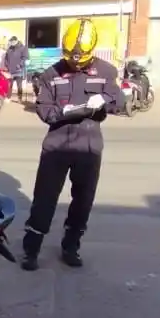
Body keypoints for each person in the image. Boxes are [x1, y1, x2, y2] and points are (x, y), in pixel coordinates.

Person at [20, 18, 123, 271]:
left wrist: (106, 100)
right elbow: (44, 110)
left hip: (88, 147)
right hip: (56, 146)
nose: (75, 61)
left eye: (81, 57)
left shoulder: (106, 72)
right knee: (44, 199)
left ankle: (71, 246)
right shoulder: (50, 74)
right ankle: (31, 250)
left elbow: (119, 101)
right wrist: (68, 112)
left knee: (83, 201)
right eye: (70, 56)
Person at [2, 36, 29, 101]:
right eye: (11, 41)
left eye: (13, 41)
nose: (12, 43)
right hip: (10, 70)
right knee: (9, 85)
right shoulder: (9, 49)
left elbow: (25, 58)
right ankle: (8, 97)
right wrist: (6, 65)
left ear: (16, 41)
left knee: (19, 86)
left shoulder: (23, 48)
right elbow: (6, 58)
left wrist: (20, 65)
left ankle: (19, 98)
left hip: (18, 70)